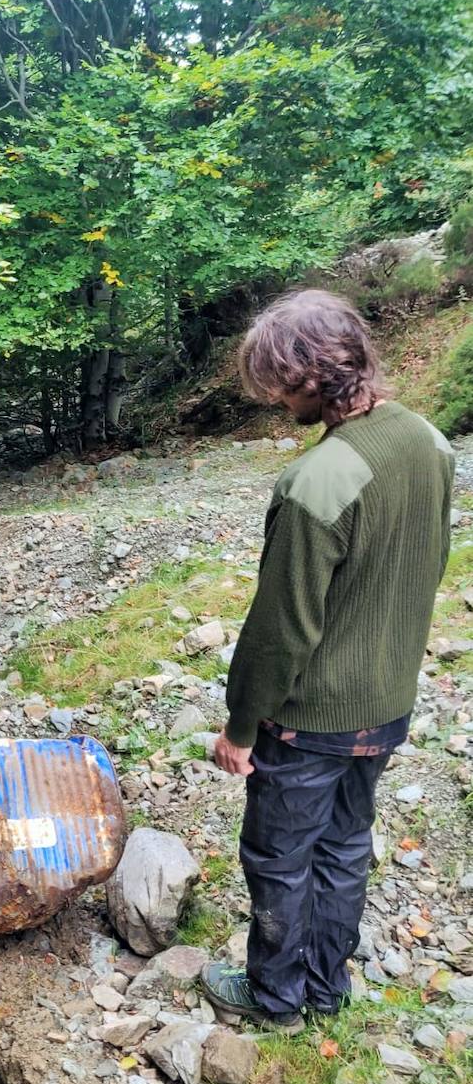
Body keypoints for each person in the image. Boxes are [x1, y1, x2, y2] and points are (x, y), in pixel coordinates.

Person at [201, 290, 454, 1032]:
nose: (275, 402)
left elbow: (281, 629)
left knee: (279, 855)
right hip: (387, 702)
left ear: (309, 375)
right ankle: (325, 986)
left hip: (309, 719)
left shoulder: (317, 481)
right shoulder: (429, 441)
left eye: (277, 385)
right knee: (344, 847)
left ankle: (276, 999)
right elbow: (427, 564)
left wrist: (240, 727)